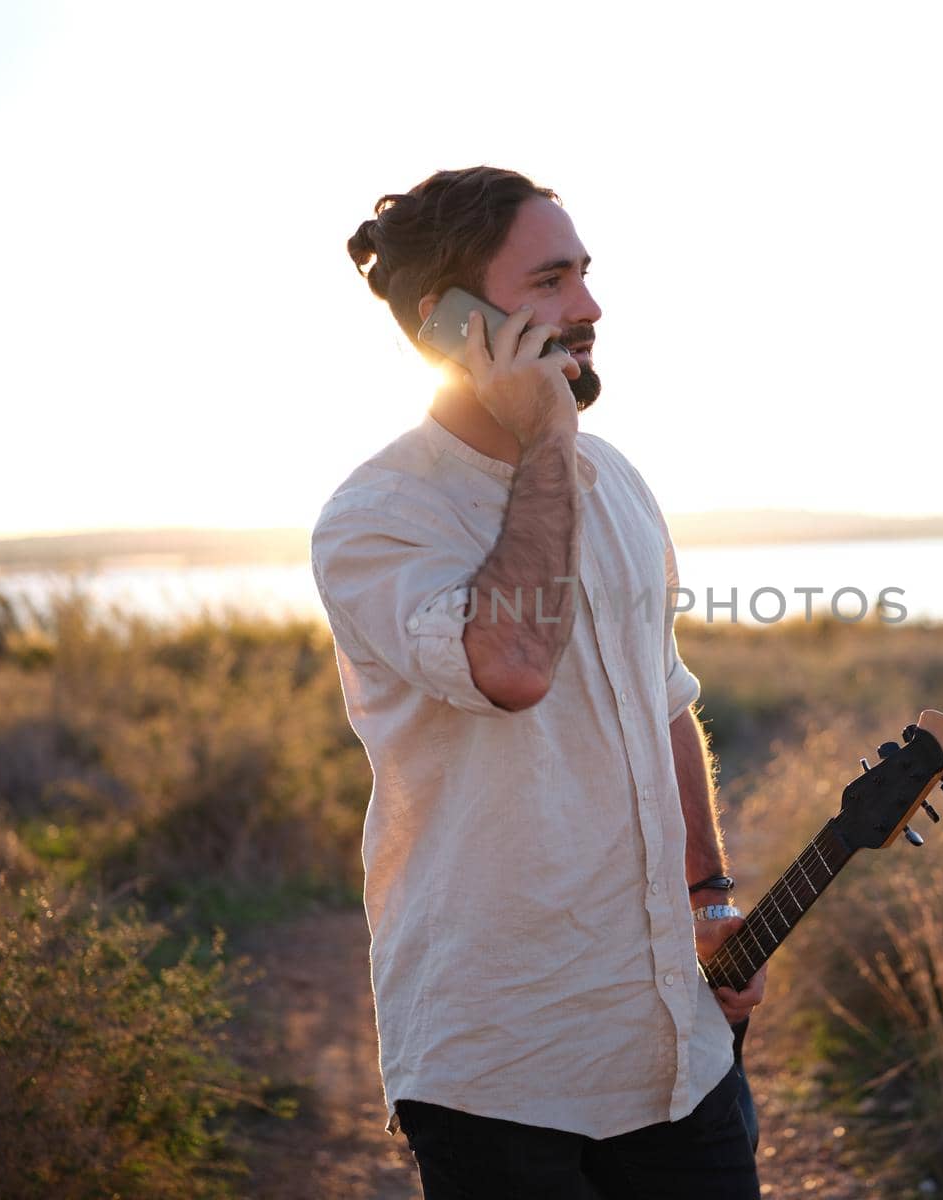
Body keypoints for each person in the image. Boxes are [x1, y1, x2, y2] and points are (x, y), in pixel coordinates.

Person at [311, 165, 765, 1199]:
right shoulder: (376, 517)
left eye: (585, 275)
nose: (590, 307)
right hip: (496, 1062)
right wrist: (546, 442)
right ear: (451, 324)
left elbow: (663, 706)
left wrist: (708, 899)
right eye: (551, 280)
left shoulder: (620, 486)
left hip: (668, 1042)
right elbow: (511, 668)